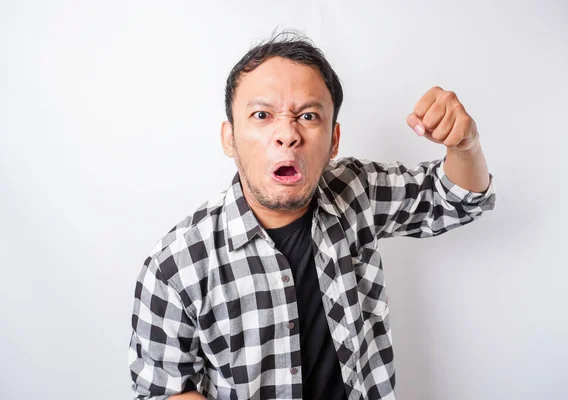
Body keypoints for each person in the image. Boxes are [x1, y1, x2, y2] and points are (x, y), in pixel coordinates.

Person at [128, 30, 496, 400]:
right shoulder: (175, 266)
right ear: (230, 138)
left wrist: (466, 145)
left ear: (334, 140)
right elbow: (164, 390)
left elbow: (458, 199)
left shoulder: (357, 191)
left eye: (307, 115)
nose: (287, 134)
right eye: (262, 114)